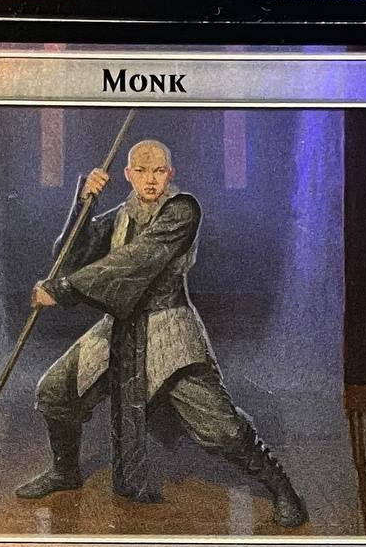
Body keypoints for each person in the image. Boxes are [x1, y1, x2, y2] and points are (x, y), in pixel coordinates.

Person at [17, 138, 306, 527]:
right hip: (122, 329)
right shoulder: (121, 216)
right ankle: (65, 471)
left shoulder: (183, 210)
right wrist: (83, 207)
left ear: (170, 174)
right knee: (55, 390)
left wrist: (63, 290)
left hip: (169, 330)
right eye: (141, 171)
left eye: (158, 171)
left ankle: (283, 490)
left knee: (221, 429)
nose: (150, 180)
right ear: (128, 175)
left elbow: (135, 260)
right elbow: (67, 257)